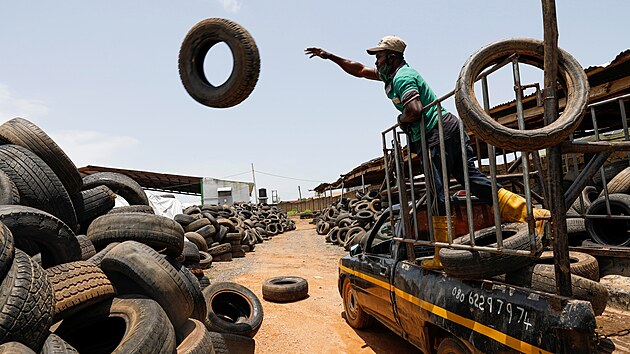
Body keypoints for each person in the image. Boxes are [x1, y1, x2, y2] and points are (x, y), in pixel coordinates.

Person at [305, 36, 548, 233]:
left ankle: (443, 247)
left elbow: (415, 110)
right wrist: (331, 57)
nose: (376, 61)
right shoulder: (389, 75)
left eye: (379, 56)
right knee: (470, 180)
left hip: (436, 132)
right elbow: (358, 70)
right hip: (447, 127)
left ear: (392, 57)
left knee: (437, 189)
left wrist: (401, 119)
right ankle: (529, 212)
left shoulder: (403, 77)